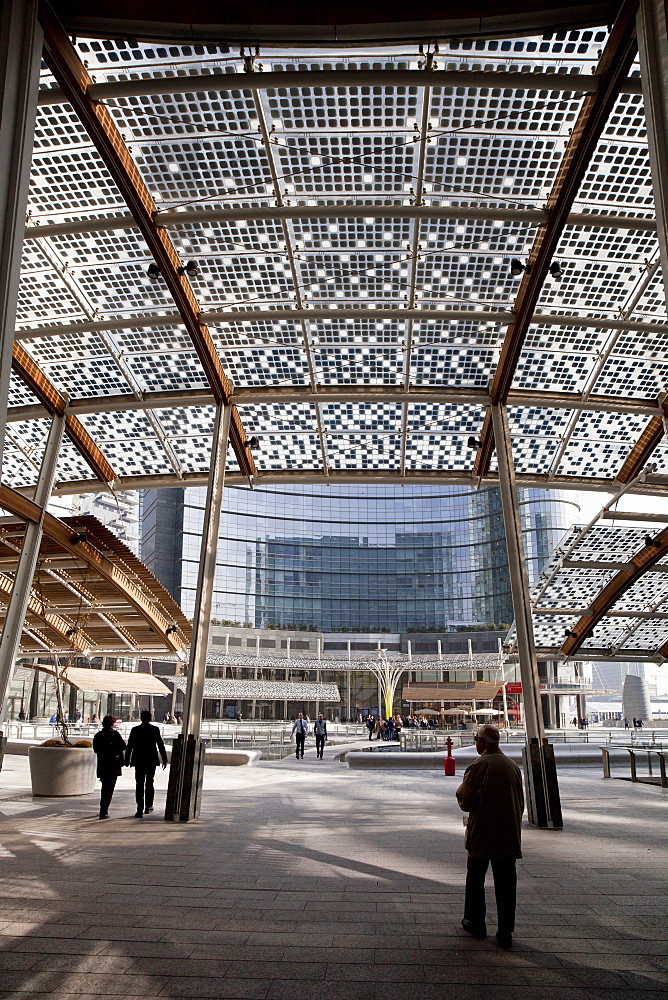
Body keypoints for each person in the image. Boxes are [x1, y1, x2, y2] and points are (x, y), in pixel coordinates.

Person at [455, 724, 524, 949]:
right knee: (506, 883)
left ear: (482, 743)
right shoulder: (512, 765)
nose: (476, 743)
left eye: (477, 739)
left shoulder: (479, 765)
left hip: (483, 834)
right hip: (508, 834)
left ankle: (475, 921)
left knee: (475, 877)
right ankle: (505, 930)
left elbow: (466, 801)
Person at [124, 710, 168, 817]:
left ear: (141, 718)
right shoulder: (154, 730)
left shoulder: (135, 730)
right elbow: (160, 745)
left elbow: (129, 746)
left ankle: (139, 808)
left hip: (138, 760)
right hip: (150, 760)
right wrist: (164, 758)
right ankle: (148, 806)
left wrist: (127, 759)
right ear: (150, 718)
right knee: (149, 783)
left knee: (139, 784)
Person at [93, 715, 126, 820]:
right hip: (113, 764)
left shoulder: (98, 735)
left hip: (103, 764)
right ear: (112, 723)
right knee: (109, 788)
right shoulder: (115, 734)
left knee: (104, 787)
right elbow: (123, 746)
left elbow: (96, 749)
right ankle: (104, 810)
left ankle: (103, 808)